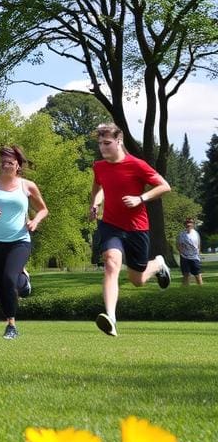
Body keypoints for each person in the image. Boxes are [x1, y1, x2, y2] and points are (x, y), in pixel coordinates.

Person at [90, 123, 172, 337]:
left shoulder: (137, 165)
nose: (102, 148)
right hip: (111, 225)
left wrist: (140, 198)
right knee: (111, 262)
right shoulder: (99, 167)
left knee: (138, 280)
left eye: (107, 143)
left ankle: (158, 264)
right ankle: (111, 317)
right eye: (100, 144)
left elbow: (164, 186)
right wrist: (95, 204)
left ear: (119, 141)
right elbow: (98, 188)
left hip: (136, 228)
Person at [0, 145, 48, 340]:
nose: (6, 165)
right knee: (0, 284)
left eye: (10, 162)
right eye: (2, 162)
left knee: (9, 278)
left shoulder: (27, 185)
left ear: (18, 165)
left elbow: (43, 209)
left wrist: (34, 221)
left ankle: (11, 325)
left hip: (20, 240)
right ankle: (18, 290)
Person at [177, 217, 204, 286]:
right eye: (187, 223)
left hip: (194, 257)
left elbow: (199, 244)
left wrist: (198, 254)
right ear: (185, 224)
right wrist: (182, 253)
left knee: (197, 274)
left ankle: (201, 288)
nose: (188, 224)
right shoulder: (181, 234)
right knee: (186, 274)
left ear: (193, 224)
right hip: (184, 257)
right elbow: (179, 245)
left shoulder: (196, 234)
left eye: (190, 222)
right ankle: (185, 289)